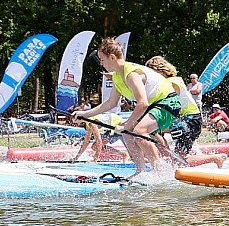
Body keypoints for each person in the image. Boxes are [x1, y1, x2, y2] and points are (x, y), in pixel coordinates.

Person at [76, 38, 182, 172]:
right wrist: (85, 114)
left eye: (102, 60)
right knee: (127, 133)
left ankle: (159, 171)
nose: (101, 64)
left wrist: (127, 124)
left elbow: (142, 103)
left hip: (168, 102)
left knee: (139, 132)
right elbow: (111, 103)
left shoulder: (131, 74)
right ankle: (140, 171)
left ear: (112, 57)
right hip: (154, 105)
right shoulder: (117, 77)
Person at [146, 56, 224, 168]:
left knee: (177, 160)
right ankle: (215, 158)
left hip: (189, 119)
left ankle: (215, 158)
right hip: (192, 119)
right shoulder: (174, 80)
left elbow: (171, 102)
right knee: (178, 159)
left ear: (158, 71)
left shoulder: (170, 83)